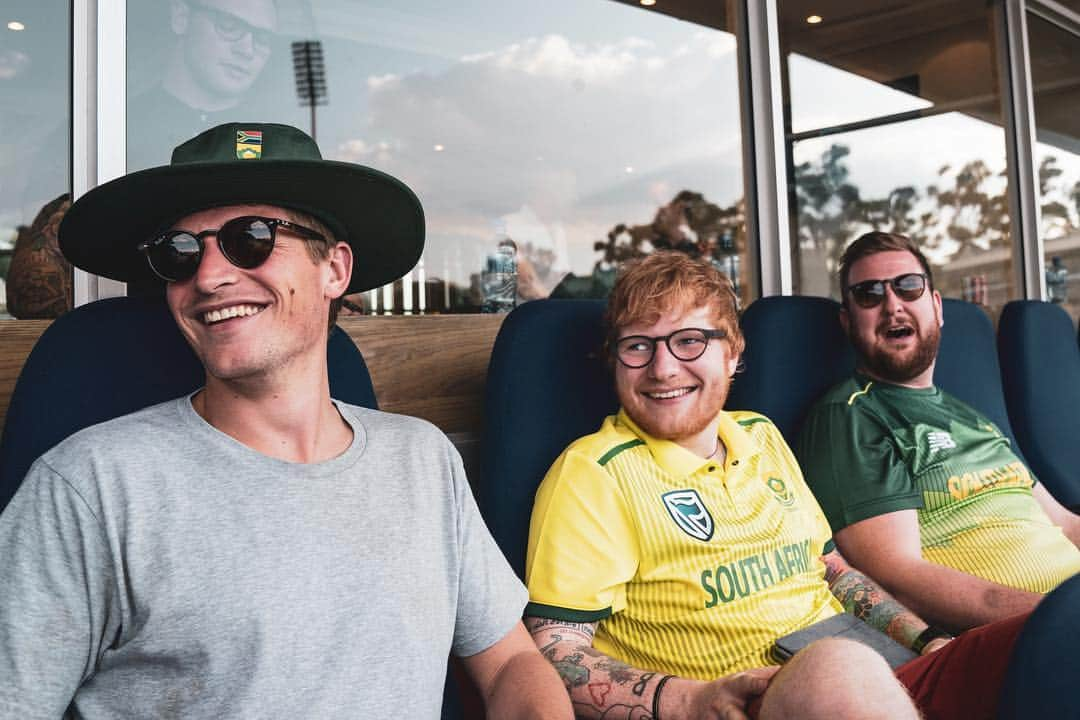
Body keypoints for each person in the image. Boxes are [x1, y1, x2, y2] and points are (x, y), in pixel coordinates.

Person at [0, 122, 571, 719]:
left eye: (251, 239)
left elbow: (510, 663)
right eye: (180, 253)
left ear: (335, 271)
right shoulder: (90, 485)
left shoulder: (422, 460)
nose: (210, 275)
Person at [525, 250, 1047, 720]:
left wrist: (928, 639)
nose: (663, 369)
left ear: (732, 353)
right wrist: (690, 699)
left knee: (1051, 631)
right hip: (752, 697)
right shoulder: (594, 472)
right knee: (837, 667)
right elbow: (552, 647)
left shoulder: (760, 434)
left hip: (879, 671)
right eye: (638, 346)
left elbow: (832, 571)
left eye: (689, 341)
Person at [796, 231, 1080, 632]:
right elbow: (901, 580)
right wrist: (1058, 620)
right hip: (1020, 637)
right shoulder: (852, 417)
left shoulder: (971, 415)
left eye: (908, 287)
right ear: (848, 322)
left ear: (936, 306)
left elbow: (1066, 524)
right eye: (869, 295)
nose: (892, 305)